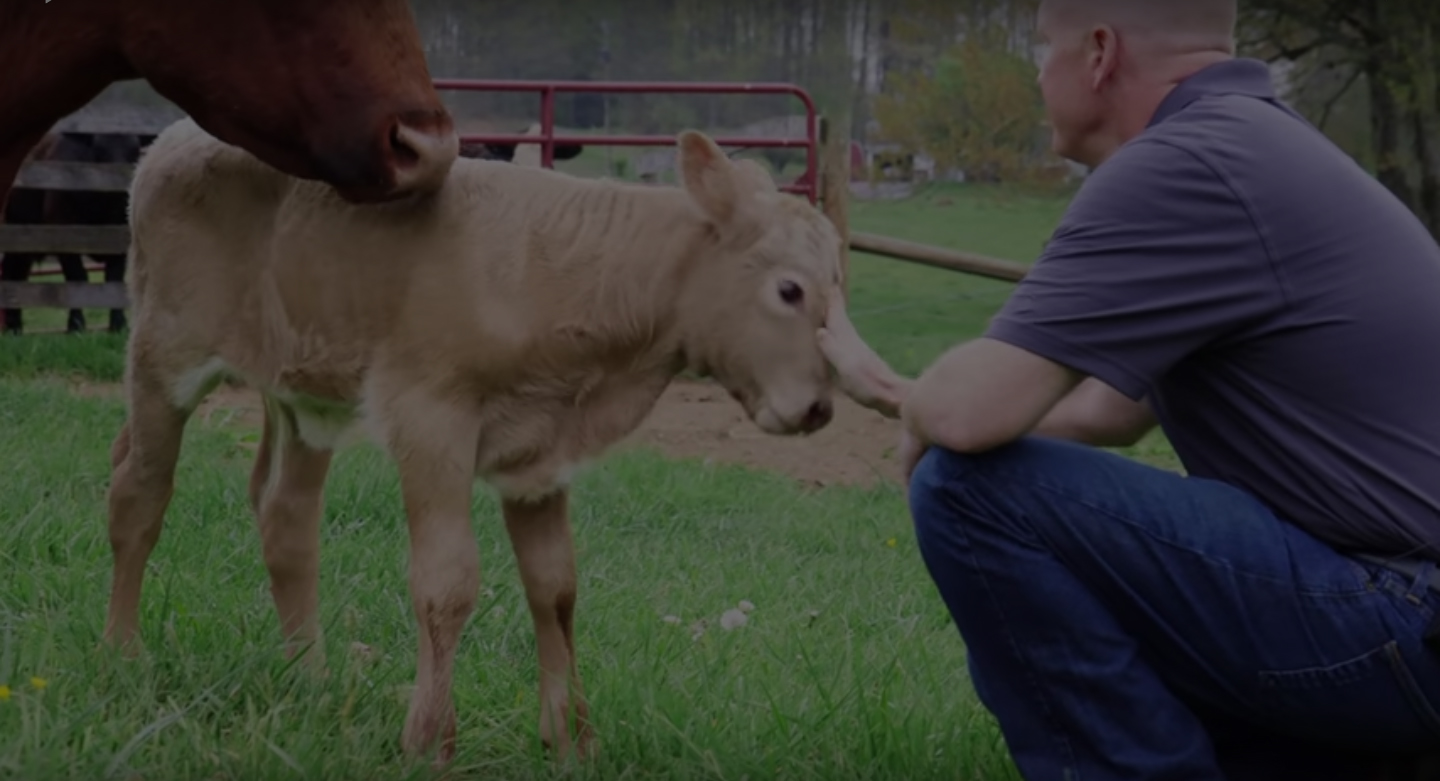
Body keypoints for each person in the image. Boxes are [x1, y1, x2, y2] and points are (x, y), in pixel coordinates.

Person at [815, 0, 1440, 778]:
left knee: (969, 490)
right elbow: (1102, 412)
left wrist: (899, 395)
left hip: (1400, 618)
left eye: (1043, 48)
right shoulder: (1255, 146)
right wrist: (907, 399)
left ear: (1099, 53)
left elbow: (966, 416)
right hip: (1404, 621)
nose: (1037, 74)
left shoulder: (1186, 160)